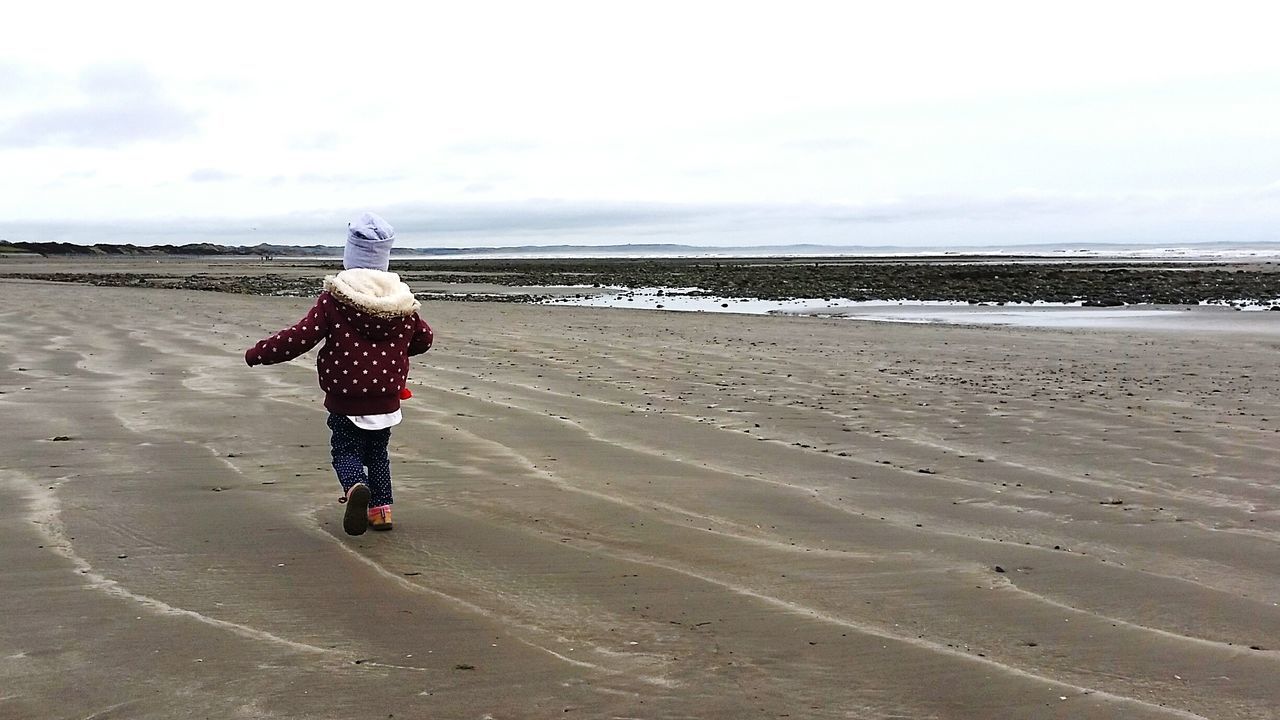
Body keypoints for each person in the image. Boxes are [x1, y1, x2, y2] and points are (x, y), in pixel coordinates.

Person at [245, 212, 432, 535]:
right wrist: (394, 352)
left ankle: (354, 486)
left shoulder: (335, 300)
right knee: (378, 453)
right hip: (387, 401)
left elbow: (301, 337)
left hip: (346, 398)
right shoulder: (401, 303)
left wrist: (259, 353)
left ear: (350, 257)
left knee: (345, 450)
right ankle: (381, 512)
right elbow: (424, 339)